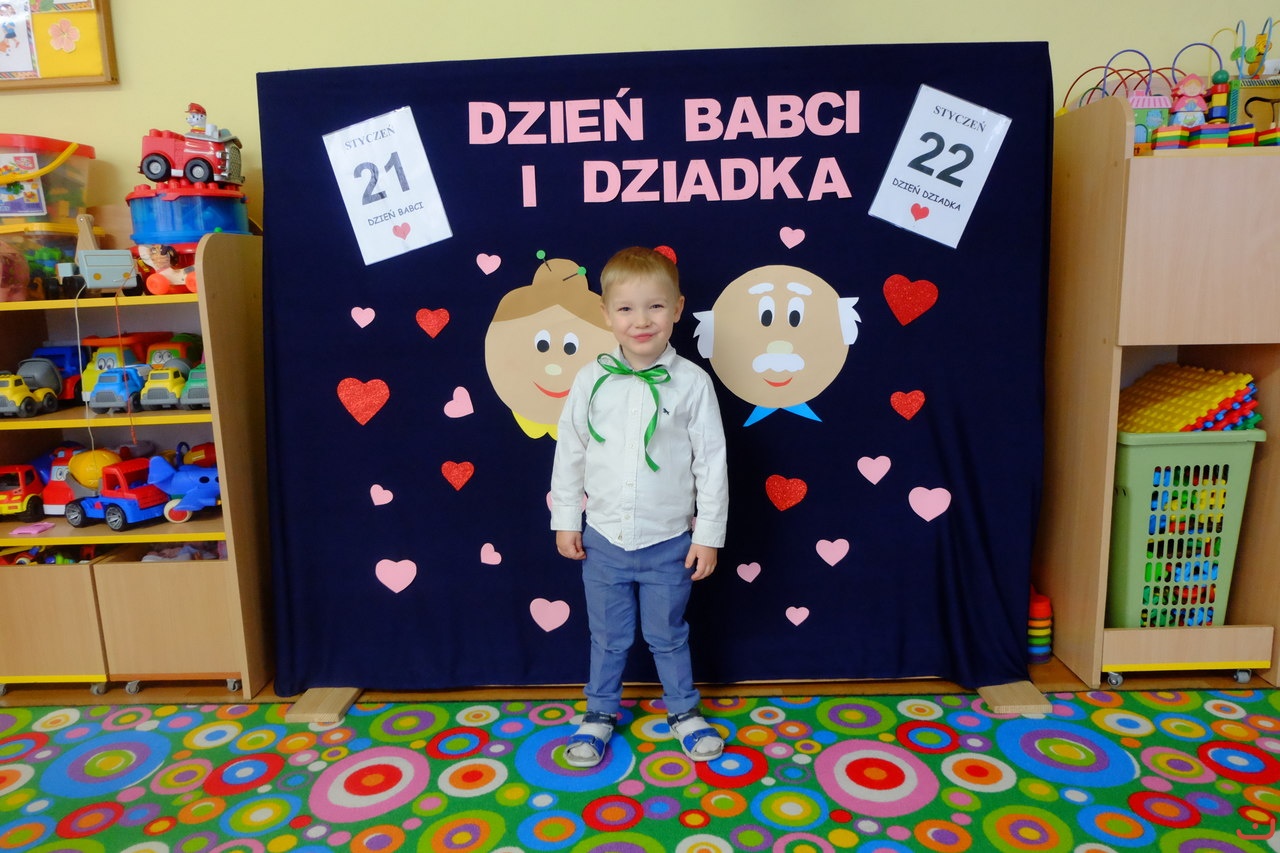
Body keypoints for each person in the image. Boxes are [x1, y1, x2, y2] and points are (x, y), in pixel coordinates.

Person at [549, 244, 729, 769]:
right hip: (604, 539)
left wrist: (708, 535)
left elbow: (711, 463)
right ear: (606, 314)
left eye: (655, 306)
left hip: (669, 541)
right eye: (626, 308)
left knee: (668, 634)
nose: (641, 320)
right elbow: (571, 451)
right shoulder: (590, 380)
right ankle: (599, 713)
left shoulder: (693, 383)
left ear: (677, 309)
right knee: (608, 637)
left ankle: (684, 712)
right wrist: (566, 519)